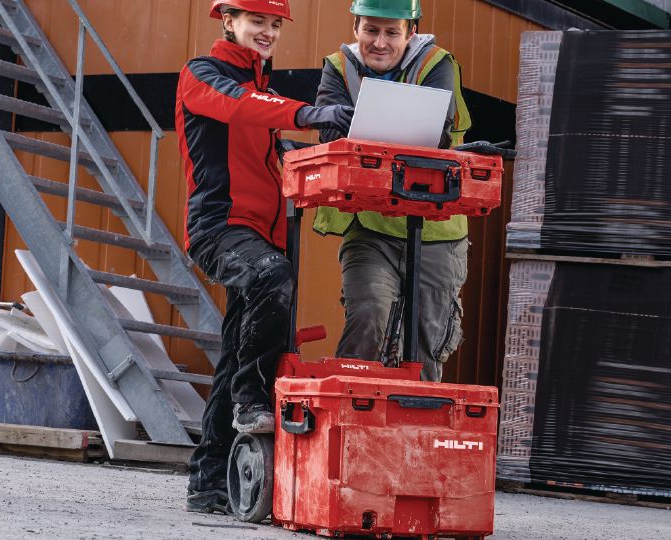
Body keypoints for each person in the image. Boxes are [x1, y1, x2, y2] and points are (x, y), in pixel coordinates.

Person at [177, 0, 354, 514]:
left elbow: (271, 137)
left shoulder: (265, 94)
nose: (268, 32)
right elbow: (237, 105)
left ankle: (207, 486)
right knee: (273, 279)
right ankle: (254, 399)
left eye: (275, 25)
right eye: (258, 22)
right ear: (228, 22)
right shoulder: (201, 75)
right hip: (219, 229)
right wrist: (308, 110)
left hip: (263, 235)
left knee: (236, 353)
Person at [312, 0, 473, 382]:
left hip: (437, 232)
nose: (379, 42)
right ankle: (351, 420)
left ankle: (414, 431)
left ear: (411, 32)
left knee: (425, 347)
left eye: (391, 32)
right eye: (371, 30)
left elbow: (437, 133)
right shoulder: (338, 68)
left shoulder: (438, 64)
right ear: (356, 27)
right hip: (370, 227)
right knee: (367, 318)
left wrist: (366, 132)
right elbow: (331, 134)